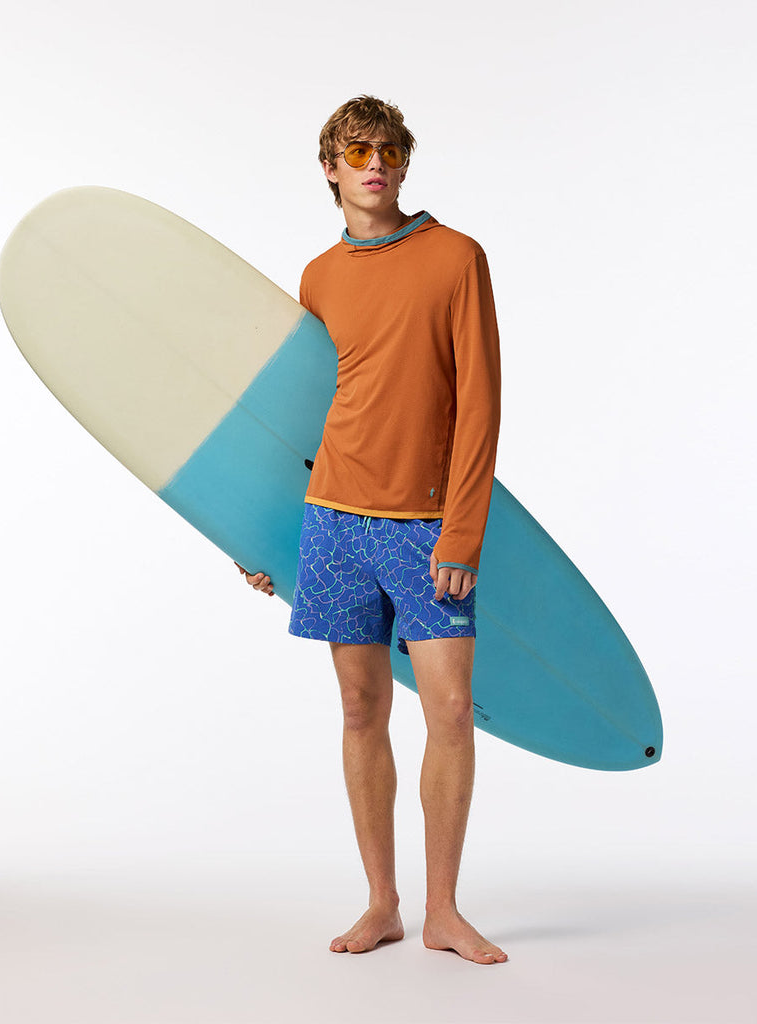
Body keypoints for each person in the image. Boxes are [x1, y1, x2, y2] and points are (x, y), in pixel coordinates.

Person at [238, 95, 505, 964]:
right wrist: (260, 535)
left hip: (424, 526)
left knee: (451, 710)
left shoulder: (456, 258)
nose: (375, 165)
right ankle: (383, 905)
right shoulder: (319, 277)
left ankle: (444, 911)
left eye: (388, 151)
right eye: (357, 153)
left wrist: (463, 533)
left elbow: (481, 405)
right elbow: (299, 411)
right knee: (360, 708)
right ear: (331, 168)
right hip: (333, 520)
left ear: (403, 162)